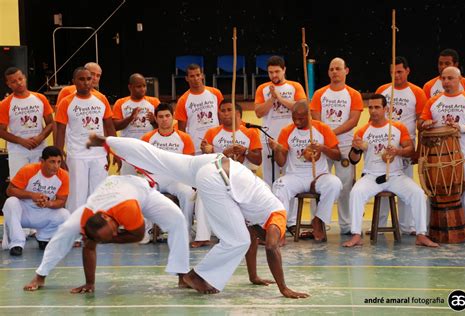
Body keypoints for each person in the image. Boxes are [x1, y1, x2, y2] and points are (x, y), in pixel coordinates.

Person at [87, 134, 309, 298]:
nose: (276, 239)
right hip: (217, 177)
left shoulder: (258, 213)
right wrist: (284, 288)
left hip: (211, 161)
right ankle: (194, 276)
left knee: (160, 158)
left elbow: (253, 241)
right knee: (236, 240)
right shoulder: (277, 212)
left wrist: (254, 277)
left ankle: (107, 141)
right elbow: (270, 247)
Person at [23, 175, 190, 293]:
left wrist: (107, 240)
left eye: (113, 231)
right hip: (106, 196)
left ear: (106, 218)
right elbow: (88, 248)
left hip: (142, 191)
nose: (116, 232)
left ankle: (183, 274)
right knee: (66, 229)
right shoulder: (88, 215)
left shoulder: (127, 208)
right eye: (111, 234)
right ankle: (40, 275)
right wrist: (90, 283)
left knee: (177, 219)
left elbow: (138, 236)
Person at [343, 94, 439, 248]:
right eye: (371, 107)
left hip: (395, 175)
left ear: (386, 109)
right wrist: (355, 147)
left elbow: (410, 150)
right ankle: (356, 234)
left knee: (418, 194)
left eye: (377, 107)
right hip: (371, 176)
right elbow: (354, 159)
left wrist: (397, 152)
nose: (373, 111)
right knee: (356, 192)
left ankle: (421, 234)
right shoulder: (362, 131)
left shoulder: (398, 128)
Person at [270, 101, 342, 241]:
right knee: (278, 185)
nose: (297, 121)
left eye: (301, 118)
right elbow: (281, 162)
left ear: (309, 115)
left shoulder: (322, 128)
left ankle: (318, 220)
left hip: (318, 176)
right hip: (295, 175)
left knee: (335, 184)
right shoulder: (286, 131)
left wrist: (323, 148)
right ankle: (280, 230)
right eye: (294, 118)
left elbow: (338, 156)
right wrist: (278, 149)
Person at [197, 100, 263, 247]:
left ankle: (259, 231)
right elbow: (207, 160)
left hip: (242, 177)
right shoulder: (212, 132)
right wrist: (221, 153)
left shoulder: (250, 132)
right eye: (222, 110)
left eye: (229, 110)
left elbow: (258, 160)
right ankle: (202, 236)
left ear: (239, 114)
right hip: (219, 177)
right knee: (202, 193)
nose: (225, 113)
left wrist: (245, 151)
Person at [310, 57, 363, 235]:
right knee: (318, 184)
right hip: (323, 146)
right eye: (331, 69)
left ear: (346, 71)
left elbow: (354, 120)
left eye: (338, 69)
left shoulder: (354, 94)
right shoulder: (319, 94)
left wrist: (333, 133)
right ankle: (318, 223)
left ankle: (347, 225)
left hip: (345, 146)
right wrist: (327, 136)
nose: (334, 72)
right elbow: (315, 118)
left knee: (346, 185)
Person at [374, 56, 427, 235]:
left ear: (407, 71)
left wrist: (416, 150)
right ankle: (379, 226)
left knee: (405, 188)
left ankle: (407, 226)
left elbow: (421, 123)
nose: (396, 75)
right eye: (392, 72)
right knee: (380, 184)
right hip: (382, 146)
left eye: (399, 72)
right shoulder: (383, 90)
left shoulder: (417, 92)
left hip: (404, 147)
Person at [420, 66, 465, 239]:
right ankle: (435, 229)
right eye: (443, 78)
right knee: (436, 194)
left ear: (460, 80)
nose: (446, 82)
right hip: (439, 158)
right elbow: (421, 122)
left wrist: (462, 127)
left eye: (450, 78)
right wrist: (425, 124)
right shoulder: (433, 101)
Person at [55, 67, 116, 212]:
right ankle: (74, 230)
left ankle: (96, 229)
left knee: (99, 194)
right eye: (81, 79)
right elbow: (60, 131)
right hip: (77, 155)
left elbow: (109, 126)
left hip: (99, 155)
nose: (86, 82)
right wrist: (59, 155)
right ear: (74, 82)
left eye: (89, 79)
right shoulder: (66, 102)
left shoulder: (101, 99)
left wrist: (115, 151)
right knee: (77, 196)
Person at [2, 146, 70, 256]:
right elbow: (9, 191)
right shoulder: (28, 170)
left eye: (59, 162)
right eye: (52, 162)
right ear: (42, 161)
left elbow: (62, 201)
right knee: (11, 202)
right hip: (23, 212)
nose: (56, 166)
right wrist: (32, 195)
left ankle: (44, 238)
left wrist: (49, 203)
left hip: (43, 212)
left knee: (65, 214)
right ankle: (17, 244)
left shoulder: (64, 176)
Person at [141, 103, 196, 237]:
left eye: (167, 116)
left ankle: (185, 231)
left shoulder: (184, 138)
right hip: (155, 177)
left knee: (188, 193)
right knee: (142, 188)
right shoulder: (147, 138)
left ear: (173, 117)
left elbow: (189, 164)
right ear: (156, 118)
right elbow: (142, 163)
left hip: (176, 178)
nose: (164, 119)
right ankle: (147, 230)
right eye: (160, 117)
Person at [254, 56, 306, 185]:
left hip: (291, 138)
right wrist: (271, 99)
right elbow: (259, 113)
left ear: (284, 70)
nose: (274, 75)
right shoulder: (262, 88)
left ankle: (291, 205)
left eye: (277, 71)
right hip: (269, 137)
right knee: (270, 177)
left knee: (291, 176)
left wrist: (280, 98)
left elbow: (302, 108)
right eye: (271, 72)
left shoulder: (295, 86)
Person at [0, 67, 54, 177]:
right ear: (8, 84)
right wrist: (21, 141)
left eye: (20, 79)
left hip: (39, 149)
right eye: (14, 81)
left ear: (25, 78)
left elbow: (51, 123)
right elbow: (1, 131)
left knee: (40, 182)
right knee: (19, 185)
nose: (19, 83)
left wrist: (40, 137)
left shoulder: (40, 98)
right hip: (18, 151)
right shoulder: (5, 104)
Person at [113, 73, 160, 175]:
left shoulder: (154, 102)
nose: (142, 89)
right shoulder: (120, 103)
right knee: (128, 181)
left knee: (149, 181)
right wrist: (130, 118)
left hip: (148, 148)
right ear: (130, 87)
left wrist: (154, 121)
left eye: (144, 86)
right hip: (128, 149)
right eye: (139, 86)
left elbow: (164, 126)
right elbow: (115, 126)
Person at [174, 64, 223, 154]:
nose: (196, 79)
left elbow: (222, 118)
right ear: (187, 78)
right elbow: (181, 130)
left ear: (202, 76)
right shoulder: (183, 100)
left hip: (216, 144)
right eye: (192, 76)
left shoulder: (215, 93)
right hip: (196, 147)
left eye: (198, 75)